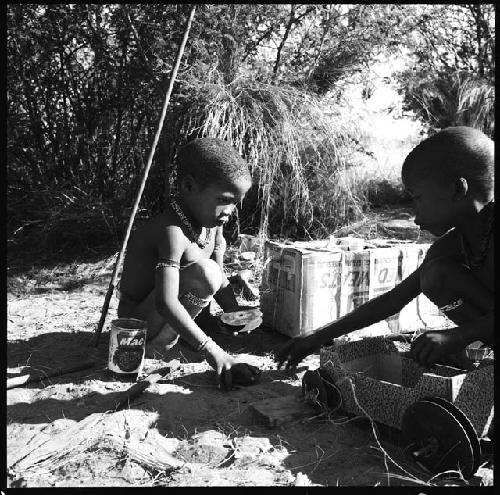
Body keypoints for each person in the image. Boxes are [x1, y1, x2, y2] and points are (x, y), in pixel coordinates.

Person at [276, 126, 494, 370]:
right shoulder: (455, 244)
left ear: (457, 189)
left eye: (417, 197)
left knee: (437, 275)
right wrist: (317, 336)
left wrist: (458, 337)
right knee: (435, 275)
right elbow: (393, 301)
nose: (415, 214)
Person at [117, 137, 260, 389]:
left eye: (234, 203)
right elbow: (166, 302)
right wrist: (212, 351)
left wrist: (238, 316)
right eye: (222, 200)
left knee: (213, 275)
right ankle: (159, 347)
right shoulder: (171, 232)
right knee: (205, 274)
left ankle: (188, 334)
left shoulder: (212, 226)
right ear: (188, 186)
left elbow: (222, 278)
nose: (229, 211)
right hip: (140, 328)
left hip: (170, 316)